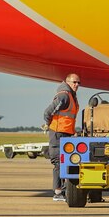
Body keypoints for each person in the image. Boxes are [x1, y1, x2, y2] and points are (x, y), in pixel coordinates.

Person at [44, 73, 80, 202]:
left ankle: (63, 190)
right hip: (58, 134)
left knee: (66, 162)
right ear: (67, 82)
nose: (76, 85)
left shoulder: (71, 96)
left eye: (78, 83)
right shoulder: (64, 95)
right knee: (59, 162)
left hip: (66, 134)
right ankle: (58, 192)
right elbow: (48, 112)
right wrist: (50, 125)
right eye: (74, 82)